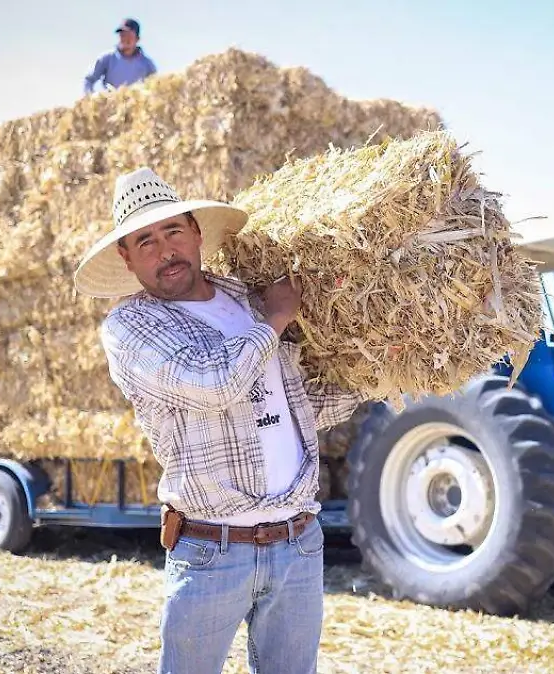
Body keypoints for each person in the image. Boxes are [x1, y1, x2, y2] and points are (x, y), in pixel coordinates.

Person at [73, 167, 368, 673]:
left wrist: (376, 373)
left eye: (173, 232)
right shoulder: (130, 327)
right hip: (212, 549)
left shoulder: (244, 298)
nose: (164, 250)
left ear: (195, 233)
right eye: (145, 241)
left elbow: (296, 405)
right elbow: (214, 385)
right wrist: (275, 318)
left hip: (297, 540)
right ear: (126, 257)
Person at [83, 18, 158, 95]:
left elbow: (156, 87)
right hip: (111, 104)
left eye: (129, 36)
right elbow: (89, 80)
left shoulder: (147, 64)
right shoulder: (107, 58)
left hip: (136, 105)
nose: (125, 39)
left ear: (137, 39)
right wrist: (91, 97)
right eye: (122, 35)